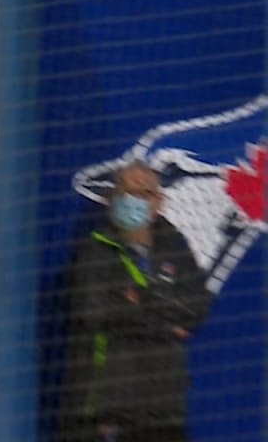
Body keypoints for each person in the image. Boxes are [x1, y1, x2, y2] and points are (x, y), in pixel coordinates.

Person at [59, 161, 213, 442]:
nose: (134, 201)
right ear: (111, 199)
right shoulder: (93, 250)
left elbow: (195, 308)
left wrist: (138, 299)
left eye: (143, 194)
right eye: (126, 192)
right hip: (106, 412)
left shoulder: (175, 247)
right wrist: (164, 324)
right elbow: (94, 311)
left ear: (158, 202)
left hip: (163, 410)